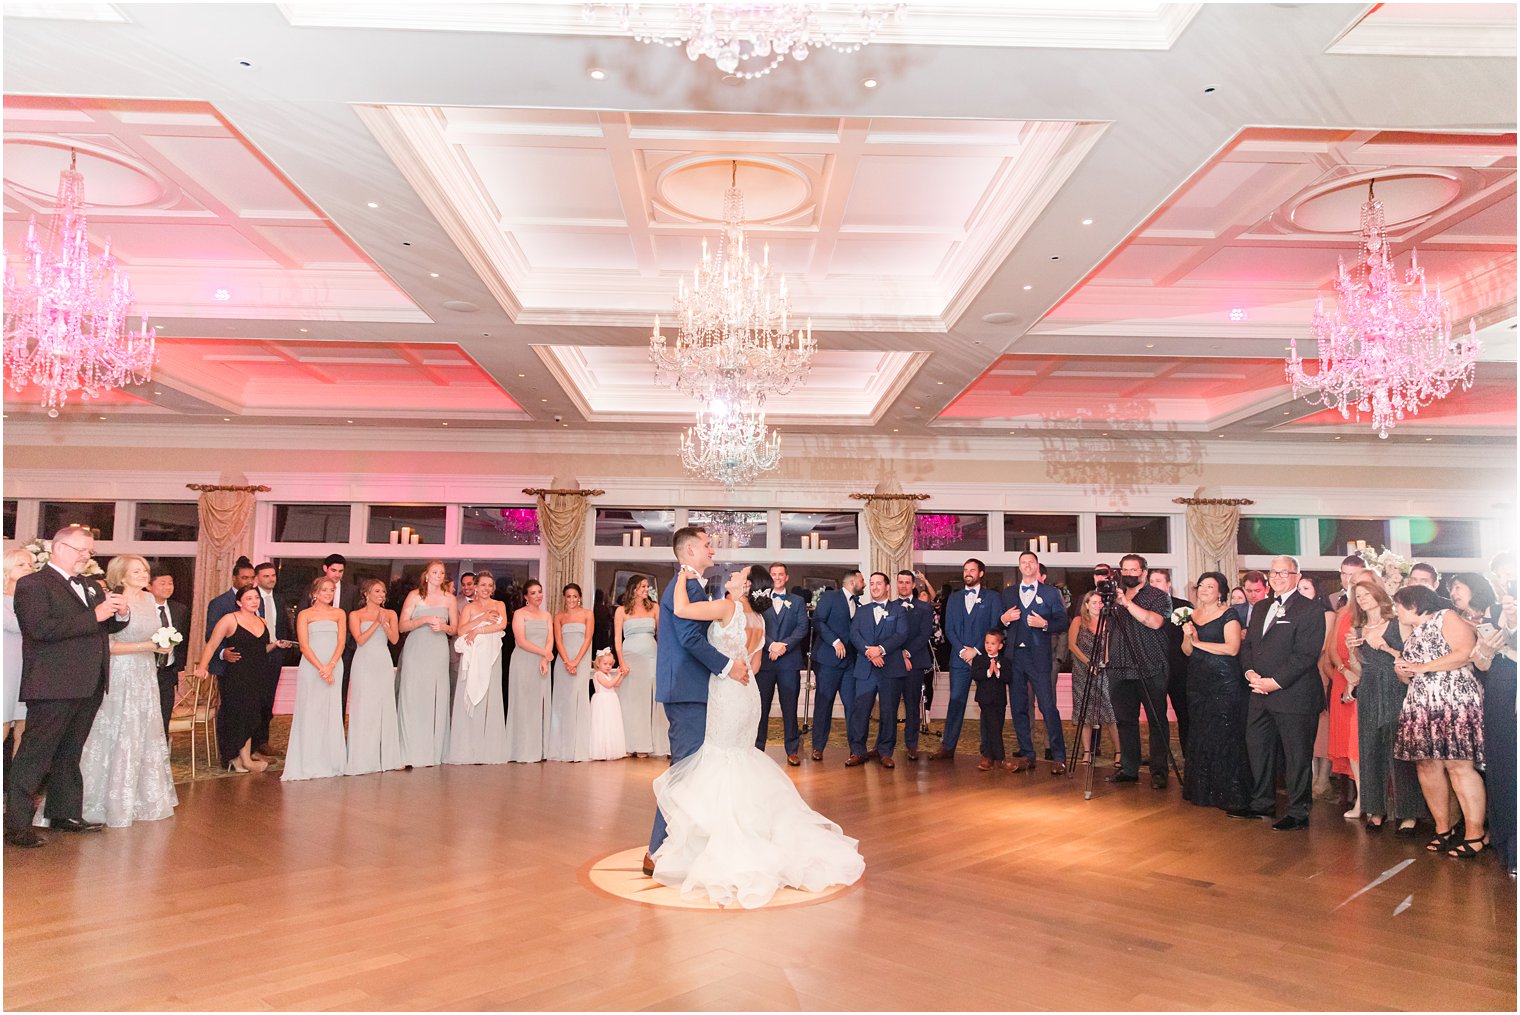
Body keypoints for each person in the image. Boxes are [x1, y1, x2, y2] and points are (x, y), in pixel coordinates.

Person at [650, 562, 864, 907]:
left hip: (727, 691)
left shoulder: (727, 607)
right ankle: (751, 831)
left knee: (721, 760)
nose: (732, 575)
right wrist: (740, 666)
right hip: (748, 693)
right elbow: (758, 665)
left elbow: (680, 609)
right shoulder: (759, 620)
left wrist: (683, 575)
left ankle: (724, 841)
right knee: (741, 758)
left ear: (746, 586)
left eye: (738, 574)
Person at [6, 526, 129, 848]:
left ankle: (64, 814)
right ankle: (16, 826)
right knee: (35, 756)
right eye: (82, 550)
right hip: (52, 683)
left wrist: (121, 615)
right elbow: (39, 629)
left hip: (88, 682)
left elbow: (106, 623)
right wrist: (96, 615)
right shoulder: (33, 584)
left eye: (90, 551)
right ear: (59, 548)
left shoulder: (89, 585)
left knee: (69, 753)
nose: (88, 556)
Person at [645, 527, 745, 877]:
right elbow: (689, 640)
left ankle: (684, 844)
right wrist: (728, 666)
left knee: (694, 771)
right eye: (707, 545)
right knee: (684, 772)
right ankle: (656, 851)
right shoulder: (685, 585)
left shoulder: (687, 584)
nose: (712, 550)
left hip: (689, 689)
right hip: (687, 691)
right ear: (689, 550)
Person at [77, 554, 178, 827]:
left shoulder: (149, 600)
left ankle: (142, 798)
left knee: (144, 731)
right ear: (121, 576)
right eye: (136, 571)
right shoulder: (114, 600)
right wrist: (148, 647)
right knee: (118, 730)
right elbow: (105, 645)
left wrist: (162, 645)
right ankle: (104, 801)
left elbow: (153, 636)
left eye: (144, 570)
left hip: (146, 674)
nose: (144, 575)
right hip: (120, 673)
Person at [1232, 556, 1328, 831]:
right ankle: (1262, 803)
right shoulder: (1261, 607)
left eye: (1284, 573)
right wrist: (1249, 673)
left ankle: (1298, 811)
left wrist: (1275, 682)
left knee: (1296, 756)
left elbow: (1305, 654)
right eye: (1273, 572)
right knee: (1258, 749)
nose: (1277, 577)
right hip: (1259, 692)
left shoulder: (1310, 609)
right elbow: (1249, 645)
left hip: (1294, 695)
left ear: (1297, 577)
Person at [1392, 583, 1486, 858]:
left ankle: (1475, 833)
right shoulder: (1411, 632)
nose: (1395, 611)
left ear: (1413, 604)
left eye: (1398, 605)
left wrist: (1421, 667)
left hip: (1454, 699)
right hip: (1421, 703)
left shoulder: (1446, 616)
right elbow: (1409, 674)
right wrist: (1403, 669)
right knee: (1427, 765)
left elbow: (1465, 651)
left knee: (1459, 765)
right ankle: (1443, 829)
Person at [1343, 573, 1424, 835]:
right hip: (1368, 688)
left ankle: (1408, 814)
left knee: (1397, 751)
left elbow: (1412, 658)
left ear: (1378, 595)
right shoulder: (1357, 629)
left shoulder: (1396, 624)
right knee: (1369, 750)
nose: (1363, 599)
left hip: (1394, 685)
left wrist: (1386, 647)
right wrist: (1351, 649)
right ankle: (1375, 810)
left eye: (1366, 594)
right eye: (1358, 596)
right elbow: (1358, 668)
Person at [1180, 572, 1249, 811]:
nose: (1204, 589)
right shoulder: (1191, 615)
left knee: (1224, 733)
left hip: (1224, 680)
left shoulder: (1230, 614)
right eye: (1201, 585)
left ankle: (1229, 794)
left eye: (1210, 586)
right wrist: (1190, 637)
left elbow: (1232, 649)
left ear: (1220, 592)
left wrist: (1199, 643)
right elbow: (1187, 651)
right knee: (1200, 731)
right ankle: (1202, 791)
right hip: (1197, 680)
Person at [1105, 555, 1174, 790]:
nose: (1129, 574)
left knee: (1157, 722)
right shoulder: (1114, 598)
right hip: (1119, 669)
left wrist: (1127, 604)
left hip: (1150, 667)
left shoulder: (1158, 596)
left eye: (1133, 570)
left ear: (1144, 572)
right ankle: (1129, 768)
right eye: (1124, 570)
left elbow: (1154, 622)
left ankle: (1159, 772)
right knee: (1125, 722)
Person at [999, 551, 1071, 774]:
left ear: (1037, 566)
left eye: (1031, 562)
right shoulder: (1008, 593)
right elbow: (997, 624)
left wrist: (1044, 623)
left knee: (1047, 707)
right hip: (1014, 658)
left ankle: (1059, 757)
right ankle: (1027, 754)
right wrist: (1003, 620)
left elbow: (1063, 622)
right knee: (1019, 707)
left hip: (1039, 658)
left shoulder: (1050, 593)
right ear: (1019, 567)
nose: (1027, 565)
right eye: (1023, 562)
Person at [194, 585, 273, 774]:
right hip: (236, 676)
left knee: (253, 715)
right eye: (249, 598)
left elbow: (259, 650)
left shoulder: (262, 620)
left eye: (256, 598)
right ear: (239, 602)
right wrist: (202, 667)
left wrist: (276, 645)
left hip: (258, 675)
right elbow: (212, 644)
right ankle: (241, 759)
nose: (254, 601)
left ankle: (241, 758)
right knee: (238, 715)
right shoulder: (230, 619)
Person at [1469, 580, 1516, 874]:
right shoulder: (1495, 612)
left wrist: (1513, 634)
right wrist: (1485, 649)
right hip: (1499, 702)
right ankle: (1508, 843)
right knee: (1504, 771)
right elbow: (1481, 664)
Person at [282, 576, 347, 782]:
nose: (329, 594)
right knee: (310, 711)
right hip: (311, 668)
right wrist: (321, 668)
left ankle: (331, 761)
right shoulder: (305, 614)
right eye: (325, 590)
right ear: (314, 593)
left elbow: (341, 642)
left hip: (334, 666)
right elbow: (304, 646)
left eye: (332, 590)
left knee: (331, 712)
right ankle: (308, 761)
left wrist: (331, 666)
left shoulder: (339, 613)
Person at [933, 558, 999, 761]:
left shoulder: (993, 597)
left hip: (983, 658)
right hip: (959, 659)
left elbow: (994, 626)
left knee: (987, 705)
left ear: (981, 574)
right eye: (965, 570)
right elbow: (948, 627)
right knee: (956, 702)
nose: (967, 573)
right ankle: (948, 746)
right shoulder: (954, 597)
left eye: (972, 570)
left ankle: (987, 750)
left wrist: (976, 651)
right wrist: (963, 651)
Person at [445, 570, 510, 765]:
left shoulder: (499, 605)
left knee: (491, 697)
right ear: (475, 586)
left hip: (492, 657)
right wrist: (479, 620)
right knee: (471, 698)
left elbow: (502, 625)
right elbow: (461, 630)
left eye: (490, 586)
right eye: (483, 585)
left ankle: (488, 748)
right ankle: (469, 748)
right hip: (473, 659)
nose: (487, 589)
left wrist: (479, 630)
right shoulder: (469, 608)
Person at [396, 561, 456, 769]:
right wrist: (423, 620)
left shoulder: (449, 599)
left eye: (442, 572)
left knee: (435, 697)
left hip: (438, 650)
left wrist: (444, 626)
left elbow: (455, 628)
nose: (439, 575)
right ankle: (409, 751)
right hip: (416, 650)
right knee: (412, 696)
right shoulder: (414, 596)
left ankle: (433, 751)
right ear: (426, 575)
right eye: (435, 572)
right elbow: (402, 626)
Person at [847, 571, 908, 768]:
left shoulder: (898, 610)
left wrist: (881, 650)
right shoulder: (862, 610)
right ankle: (857, 751)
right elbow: (854, 635)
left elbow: (901, 635)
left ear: (887, 586)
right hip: (866, 668)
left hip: (890, 668)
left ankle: (885, 751)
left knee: (889, 711)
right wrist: (870, 653)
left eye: (878, 583)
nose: (874, 587)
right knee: (861, 711)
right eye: (871, 583)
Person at [344, 577, 403, 776]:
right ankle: (362, 757)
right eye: (377, 591)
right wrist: (375, 624)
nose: (381, 595)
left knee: (384, 706)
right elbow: (359, 640)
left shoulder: (391, 614)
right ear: (366, 593)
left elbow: (394, 640)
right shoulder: (355, 615)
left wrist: (384, 624)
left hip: (383, 662)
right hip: (364, 663)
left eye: (383, 592)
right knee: (364, 707)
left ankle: (387, 756)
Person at [755, 562, 807, 766]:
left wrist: (784, 645)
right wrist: (771, 646)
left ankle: (792, 750)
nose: (777, 577)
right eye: (773, 574)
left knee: (789, 708)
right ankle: (757, 749)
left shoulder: (798, 601)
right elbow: (756, 626)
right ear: (770, 577)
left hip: (789, 661)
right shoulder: (759, 600)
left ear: (786, 577)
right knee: (761, 708)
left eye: (780, 574)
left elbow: (803, 627)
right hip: (765, 662)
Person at [808, 570, 862, 762]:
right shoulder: (831, 597)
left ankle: (855, 750)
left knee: (852, 706)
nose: (864, 584)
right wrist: (835, 641)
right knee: (824, 705)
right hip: (828, 662)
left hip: (849, 664)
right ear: (853, 581)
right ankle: (818, 747)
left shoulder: (858, 604)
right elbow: (818, 621)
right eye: (862, 580)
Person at [249, 562, 296, 759]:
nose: (271, 579)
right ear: (257, 578)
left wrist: (282, 643)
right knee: (253, 700)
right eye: (266, 576)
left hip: (275, 655)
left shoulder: (278, 598)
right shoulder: (250, 598)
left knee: (268, 700)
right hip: (254, 656)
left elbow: (282, 625)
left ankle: (263, 741)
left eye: (273, 575)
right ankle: (248, 744)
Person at [504, 579, 554, 763]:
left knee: (538, 705)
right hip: (523, 662)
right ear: (526, 596)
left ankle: (539, 750)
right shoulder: (519, 614)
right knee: (523, 705)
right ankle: (520, 751)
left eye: (539, 592)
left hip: (542, 663)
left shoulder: (547, 615)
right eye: (533, 593)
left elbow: (550, 638)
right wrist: (545, 653)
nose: (538, 595)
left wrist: (544, 657)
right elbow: (521, 641)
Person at [1067, 590, 1117, 766]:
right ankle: (1087, 752)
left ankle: (1119, 752)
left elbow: (1110, 647)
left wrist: (1104, 663)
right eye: (1093, 602)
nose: (1097, 605)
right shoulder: (1078, 621)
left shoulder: (1109, 622)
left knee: (1110, 713)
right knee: (1084, 714)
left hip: (1104, 672)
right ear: (1086, 605)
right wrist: (1089, 663)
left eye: (1100, 602)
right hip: (1082, 672)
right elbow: (1072, 646)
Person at [613, 576, 659, 758]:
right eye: (643, 586)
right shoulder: (621, 611)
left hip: (650, 658)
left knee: (646, 700)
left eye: (647, 586)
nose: (646, 589)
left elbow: (660, 635)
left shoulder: (655, 608)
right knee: (629, 701)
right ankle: (628, 743)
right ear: (633, 589)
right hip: (630, 657)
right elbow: (617, 639)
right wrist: (621, 661)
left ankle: (644, 745)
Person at [1148, 569, 1192, 760]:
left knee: (1184, 715)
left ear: (1168, 584)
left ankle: (1189, 756)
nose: (1154, 584)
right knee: (1156, 717)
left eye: (1158, 581)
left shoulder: (1183, 606)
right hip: (1153, 669)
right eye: (1151, 581)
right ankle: (1159, 759)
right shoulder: (1144, 608)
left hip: (1178, 668)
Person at [548, 583, 593, 763]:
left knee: (578, 701)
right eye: (568, 596)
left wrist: (576, 661)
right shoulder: (559, 616)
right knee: (562, 703)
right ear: (564, 598)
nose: (572, 600)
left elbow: (588, 639)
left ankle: (579, 748)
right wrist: (567, 661)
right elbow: (558, 641)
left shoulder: (588, 614)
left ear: (580, 597)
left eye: (575, 596)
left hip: (580, 663)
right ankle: (561, 748)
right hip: (563, 663)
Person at [895, 570, 933, 760]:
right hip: (892, 663)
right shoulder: (890, 606)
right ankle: (884, 745)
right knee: (889, 706)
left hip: (915, 662)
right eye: (900, 582)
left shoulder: (924, 608)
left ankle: (911, 745)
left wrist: (907, 653)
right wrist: (898, 655)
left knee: (912, 705)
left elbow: (924, 634)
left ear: (913, 585)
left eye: (907, 582)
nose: (903, 586)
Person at [147, 566, 188, 739]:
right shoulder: (141, 609)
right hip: (146, 669)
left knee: (164, 715)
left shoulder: (180, 609)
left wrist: (180, 670)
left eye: (170, 583)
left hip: (167, 671)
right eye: (162, 583)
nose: (168, 587)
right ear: (149, 586)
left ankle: (161, 753)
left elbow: (182, 642)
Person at [204, 558, 256, 694]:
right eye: (244, 578)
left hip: (252, 665)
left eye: (252, 578)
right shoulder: (219, 603)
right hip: (228, 665)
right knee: (228, 706)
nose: (249, 581)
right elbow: (210, 635)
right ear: (234, 578)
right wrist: (223, 652)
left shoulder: (256, 601)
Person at [4, 548, 33, 781]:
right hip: (5, 670)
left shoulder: (32, 599)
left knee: (24, 732)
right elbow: (21, 625)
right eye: (21, 565)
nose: (27, 569)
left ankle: (15, 789)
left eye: (30, 565)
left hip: (29, 670)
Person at [972, 629, 1009, 771]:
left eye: (993, 643)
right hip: (985, 700)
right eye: (987, 642)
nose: (989, 646)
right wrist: (988, 672)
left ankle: (990, 757)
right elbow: (976, 674)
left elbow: (1008, 677)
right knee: (993, 726)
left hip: (1000, 700)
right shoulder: (979, 659)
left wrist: (998, 672)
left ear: (1000, 645)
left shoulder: (1004, 661)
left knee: (995, 727)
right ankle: (1001, 758)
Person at [587, 647, 627, 761]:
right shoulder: (598, 674)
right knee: (602, 725)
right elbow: (609, 685)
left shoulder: (609, 675)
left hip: (610, 701)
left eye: (610, 664)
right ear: (598, 664)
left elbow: (616, 684)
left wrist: (621, 675)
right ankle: (601, 751)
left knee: (610, 725)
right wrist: (618, 675)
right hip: (602, 702)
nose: (608, 666)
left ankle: (611, 749)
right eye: (605, 664)